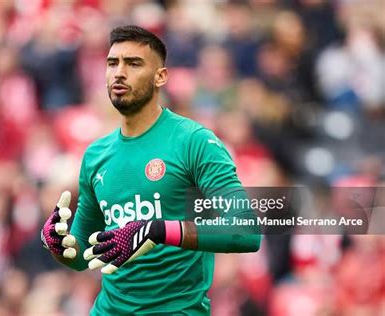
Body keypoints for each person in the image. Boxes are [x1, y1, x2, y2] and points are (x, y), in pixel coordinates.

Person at [41, 25, 261, 315]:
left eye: (133, 64)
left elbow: (246, 232)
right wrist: (57, 244)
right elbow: (84, 255)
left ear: (161, 77)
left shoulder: (194, 142)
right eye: (112, 63)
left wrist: (156, 230)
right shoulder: (95, 156)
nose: (119, 72)